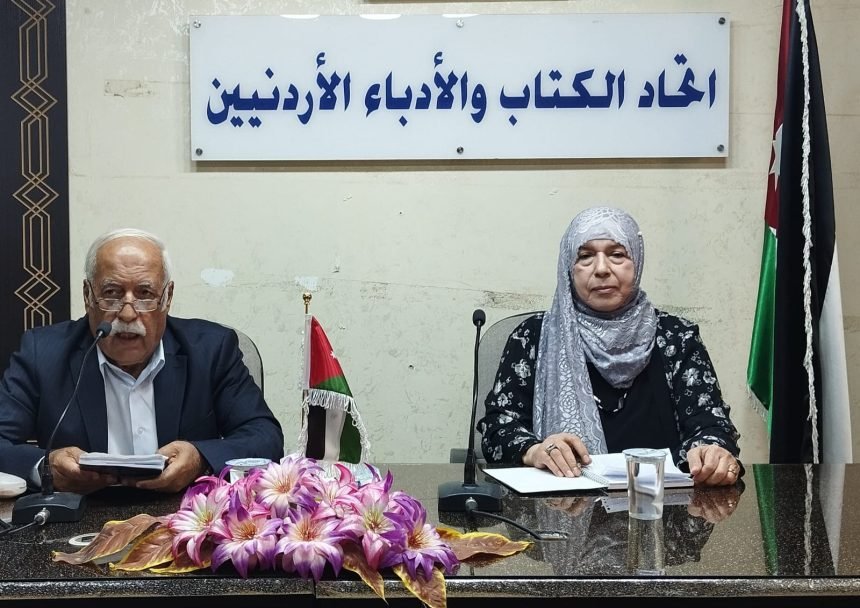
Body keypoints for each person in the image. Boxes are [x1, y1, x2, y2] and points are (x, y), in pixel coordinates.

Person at [0, 228, 284, 494]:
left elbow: (265, 437)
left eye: (145, 294)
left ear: (167, 297)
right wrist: (46, 467)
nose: (127, 314)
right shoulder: (42, 354)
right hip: (79, 517)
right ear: (88, 296)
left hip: (182, 514)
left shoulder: (211, 350)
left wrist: (200, 459)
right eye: (111, 293)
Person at [478, 207, 741, 486]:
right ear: (568, 267)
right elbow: (498, 428)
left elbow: (712, 426)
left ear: (636, 261)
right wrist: (533, 451)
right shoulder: (531, 337)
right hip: (559, 503)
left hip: (662, 504)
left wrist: (712, 452)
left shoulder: (677, 337)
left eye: (617, 254)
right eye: (585, 256)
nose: (602, 269)